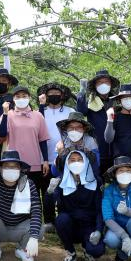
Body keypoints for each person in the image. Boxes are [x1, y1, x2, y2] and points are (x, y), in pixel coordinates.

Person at [0, 86, 51, 229]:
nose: (21, 99)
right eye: (18, 96)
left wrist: (45, 160)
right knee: (14, 194)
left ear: (29, 98)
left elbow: (43, 140)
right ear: (13, 99)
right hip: (14, 164)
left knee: (34, 195)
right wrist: (5, 113)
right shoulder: (8, 115)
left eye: (24, 96)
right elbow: (2, 134)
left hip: (34, 162)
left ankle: (35, 225)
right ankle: (14, 223)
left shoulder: (38, 116)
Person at [0, 151, 43, 261]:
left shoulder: (28, 184)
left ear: (20, 169)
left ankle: (22, 249)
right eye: (7, 166)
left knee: (39, 228)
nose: (11, 169)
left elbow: (36, 210)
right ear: (0, 169)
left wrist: (34, 237)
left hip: (20, 228)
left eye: (15, 166)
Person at [53, 150, 105, 261]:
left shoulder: (96, 181)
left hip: (89, 226)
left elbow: (99, 210)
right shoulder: (61, 182)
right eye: (72, 160)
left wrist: (98, 230)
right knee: (61, 220)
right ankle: (70, 251)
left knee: (97, 250)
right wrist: (50, 192)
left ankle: (87, 248)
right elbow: (54, 204)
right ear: (67, 164)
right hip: (71, 225)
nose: (76, 163)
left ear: (85, 162)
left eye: (79, 160)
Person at [37, 82, 75, 227]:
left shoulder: (70, 111)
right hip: (44, 157)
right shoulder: (40, 111)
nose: (54, 95)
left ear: (62, 95)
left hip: (65, 157)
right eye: (51, 93)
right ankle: (48, 220)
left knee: (64, 188)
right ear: (46, 96)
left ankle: (63, 219)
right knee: (46, 189)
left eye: (57, 93)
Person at [77, 69, 120, 175]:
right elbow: (81, 112)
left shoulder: (117, 101)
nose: (103, 84)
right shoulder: (90, 102)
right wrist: (82, 92)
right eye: (100, 82)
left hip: (117, 149)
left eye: (106, 82)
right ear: (95, 86)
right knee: (98, 179)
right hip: (97, 148)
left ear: (110, 84)